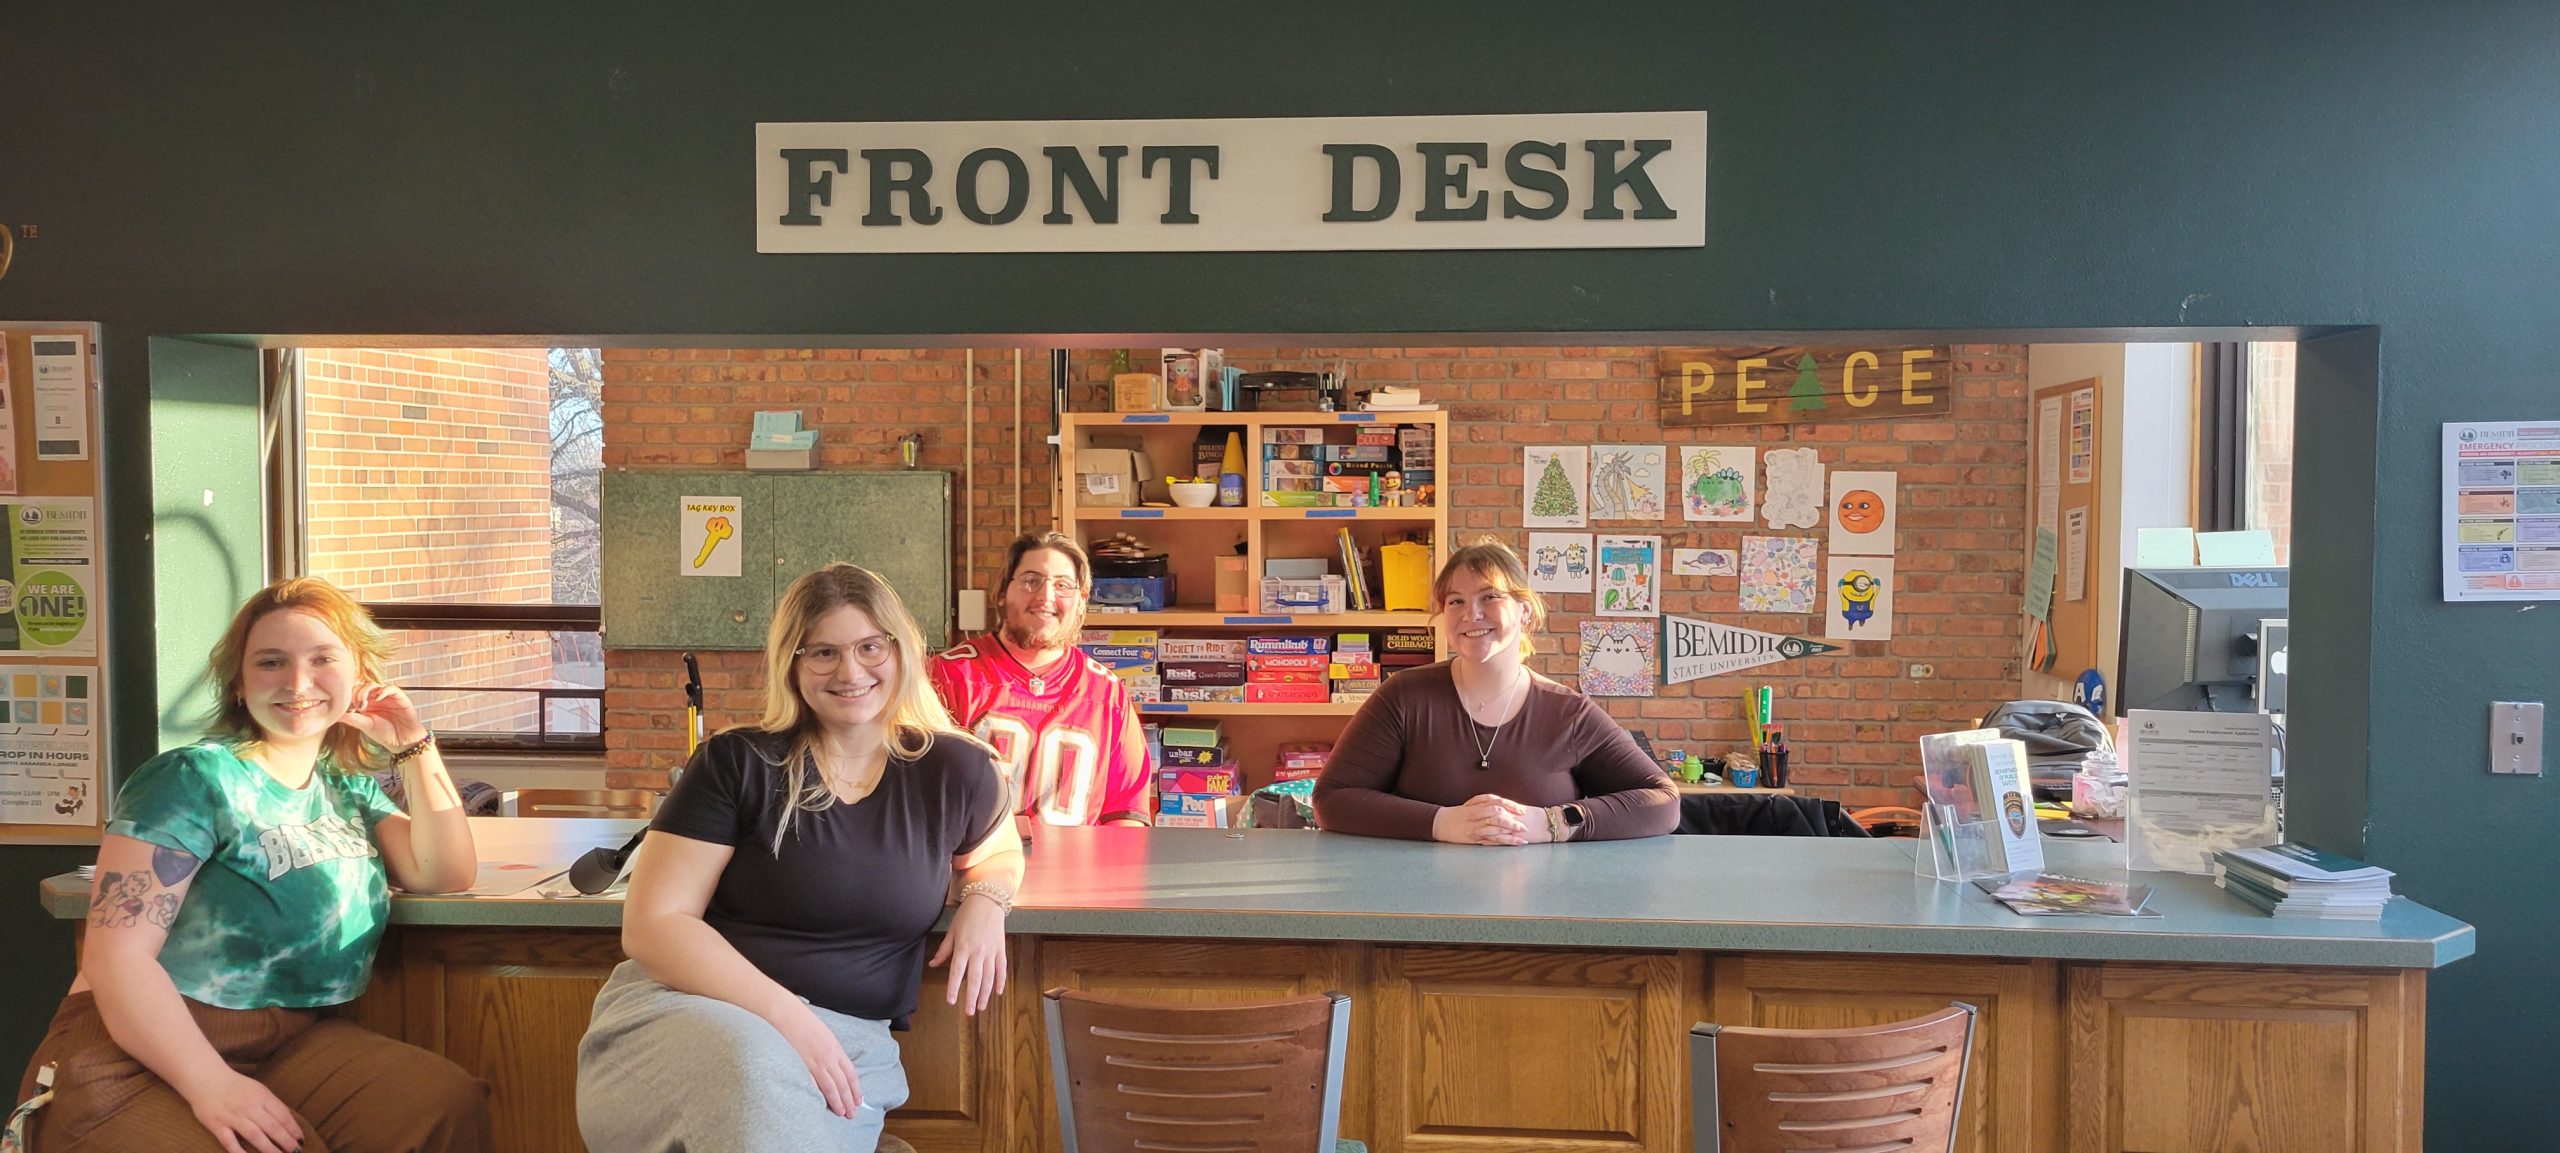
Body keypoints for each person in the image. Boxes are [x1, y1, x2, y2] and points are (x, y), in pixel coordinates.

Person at [10, 578, 489, 1153]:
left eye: (322, 659)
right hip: (139, 1045)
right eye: (271, 662)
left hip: (288, 1040)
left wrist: (412, 741)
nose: (298, 682)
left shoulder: (346, 788)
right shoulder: (191, 779)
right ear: (239, 683)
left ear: (359, 675)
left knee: (436, 1104)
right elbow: (115, 960)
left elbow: (446, 871)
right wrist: (210, 1085)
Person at [577, 563, 1024, 1153]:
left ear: (902, 651)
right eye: (823, 653)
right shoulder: (736, 763)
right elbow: (654, 924)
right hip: (691, 1015)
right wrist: (790, 1021)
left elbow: (997, 851)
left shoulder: (957, 770)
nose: (850, 671)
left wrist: (986, 902)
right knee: (756, 1077)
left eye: (870, 647)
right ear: (792, 663)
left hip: (848, 1047)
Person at [1314, 540, 1679, 844]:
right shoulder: (1402, 697)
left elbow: (1662, 802)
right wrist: (1442, 823)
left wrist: (1553, 823)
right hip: (1418, 910)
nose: (1471, 613)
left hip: (1537, 913)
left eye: (1489, 597)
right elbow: (1331, 800)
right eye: (1455, 601)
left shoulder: (1568, 712)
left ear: (1524, 611)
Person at [928, 532, 1151, 827]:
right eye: (1031, 580)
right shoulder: (948, 677)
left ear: (1082, 602)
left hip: (1076, 870)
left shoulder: (1106, 693)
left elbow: (1127, 812)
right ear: (1002, 592)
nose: (1046, 597)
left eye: (1063, 585)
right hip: (974, 869)